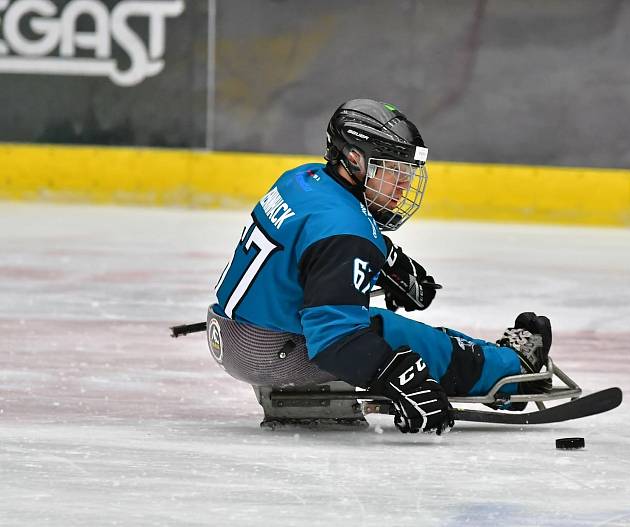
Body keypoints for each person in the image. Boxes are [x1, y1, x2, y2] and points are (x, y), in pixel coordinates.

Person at [209, 99, 552, 435]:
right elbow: (333, 340)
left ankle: (489, 359)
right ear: (355, 159)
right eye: (392, 170)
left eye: (406, 172)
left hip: (231, 332)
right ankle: (511, 373)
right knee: (398, 336)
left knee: (365, 324)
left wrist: (391, 263)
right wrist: (399, 378)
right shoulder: (346, 234)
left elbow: (318, 235)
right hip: (269, 353)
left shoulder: (303, 179)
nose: (403, 184)